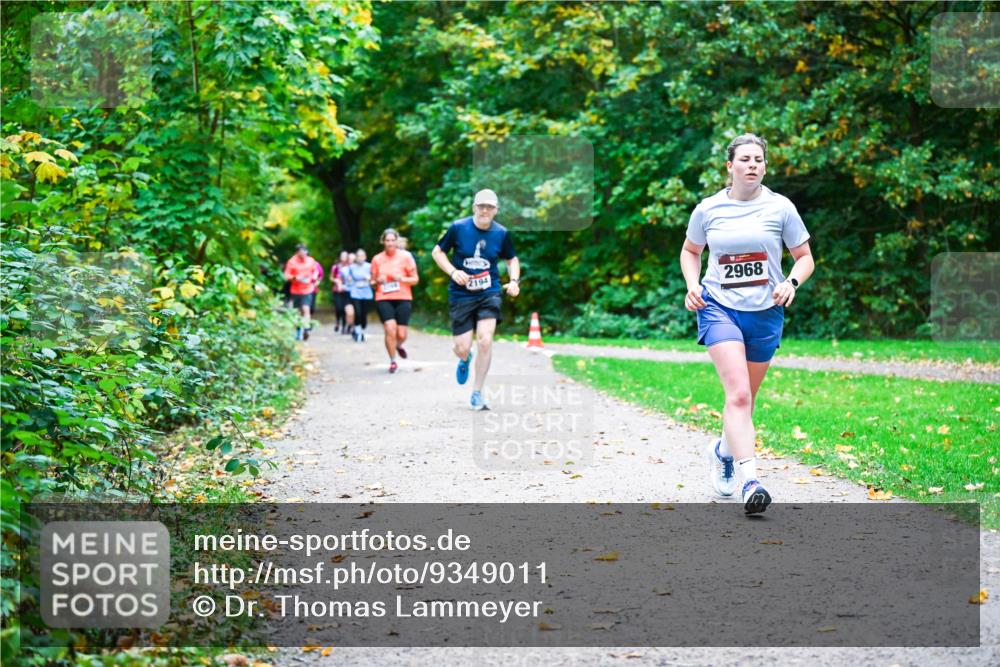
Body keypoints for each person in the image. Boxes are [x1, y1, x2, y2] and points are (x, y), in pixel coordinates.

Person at [680, 133, 815, 515]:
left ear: (765, 166)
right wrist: (693, 286)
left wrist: (791, 282)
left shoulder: (781, 208)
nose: (752, 165)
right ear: (730, 166)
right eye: (745, 159)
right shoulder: (708, 209)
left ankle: (722, 451)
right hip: (719, 306)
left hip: (766, 312)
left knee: (746, 400)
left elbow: (804, 257)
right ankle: (750, 481)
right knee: (738, 394)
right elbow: (691, 252)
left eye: (759, 159)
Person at [431, 189, 520, 410]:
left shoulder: (501, 233)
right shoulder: (458, 228)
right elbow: (437, 252)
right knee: (462, 347)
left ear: (496, 210)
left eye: (489, 207)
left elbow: (512, 259)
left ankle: (478, 392)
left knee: (485, 340)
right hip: (461, 294)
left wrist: (515, 281)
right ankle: (464, 358)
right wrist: (453, 272)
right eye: (481, 206)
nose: (485, 210)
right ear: (474, 207)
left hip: (489, 293)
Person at [371, 229, 419, 373]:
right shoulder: (377, 259)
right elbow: (372, 282)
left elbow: (415, 279)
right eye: (387, 240)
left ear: (397, 241)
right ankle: (393, 361)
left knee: (401, 334)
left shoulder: (406, 257)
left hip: (403, 297)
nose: (390, 243)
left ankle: (398, 345)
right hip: (383, 298)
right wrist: (377, 281)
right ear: (383, 242)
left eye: (393, 240)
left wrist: (402, 279)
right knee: (389, 328)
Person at [283, 244, 320, 341]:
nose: (303, 253)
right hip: (295, 290)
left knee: (306, 309)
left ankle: (306, 328)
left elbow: (315, 271)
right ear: (297, 252)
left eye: (305, 251)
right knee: (298, 312)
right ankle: (299, 330)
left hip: (308, 289)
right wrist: (295, 277)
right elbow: (286, 275)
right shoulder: (292, 262)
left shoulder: (311, 260)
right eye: (301, 252)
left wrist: (313, 278)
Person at [345, 248, 373, 342]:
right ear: (356, 258)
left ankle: (362, 326)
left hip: (366, 292)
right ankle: (358, 331)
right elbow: (348, 280)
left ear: (365, 257)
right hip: (355, 292)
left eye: (362, 256)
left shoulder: (369, 266)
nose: (360, 258)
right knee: (357, 312)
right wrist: (350, 281)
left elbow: (374, 279)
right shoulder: (352, 267)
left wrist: (369, 278)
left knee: (364, 313)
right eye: (358, 256)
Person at [330, 251, 351, 333]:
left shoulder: (350, 267)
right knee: (339, 308)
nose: (344, 257)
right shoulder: (335, 267)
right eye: (342, 256)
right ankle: (338, 321)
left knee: (345, 309)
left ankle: (344, 326)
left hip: (347, 290)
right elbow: (331, 277)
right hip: (337, 290)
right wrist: (336, 280)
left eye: (345, 256)